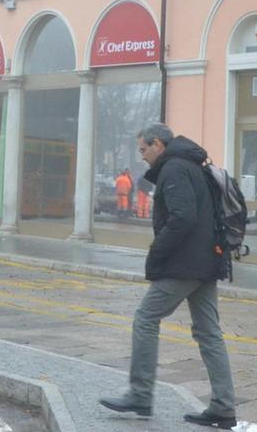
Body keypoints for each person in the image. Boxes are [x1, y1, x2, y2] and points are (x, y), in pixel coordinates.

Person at [100, 123, 236, 429]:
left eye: (143, 149)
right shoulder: (192, 165)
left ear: (158, 144)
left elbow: (183, 218)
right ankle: (223, 407)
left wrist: (156, 251)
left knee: (145, 318)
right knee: (209, 333)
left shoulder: (174, 169)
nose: (142, 156)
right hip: (206, 262)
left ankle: (140, 393)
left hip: (184, 264)